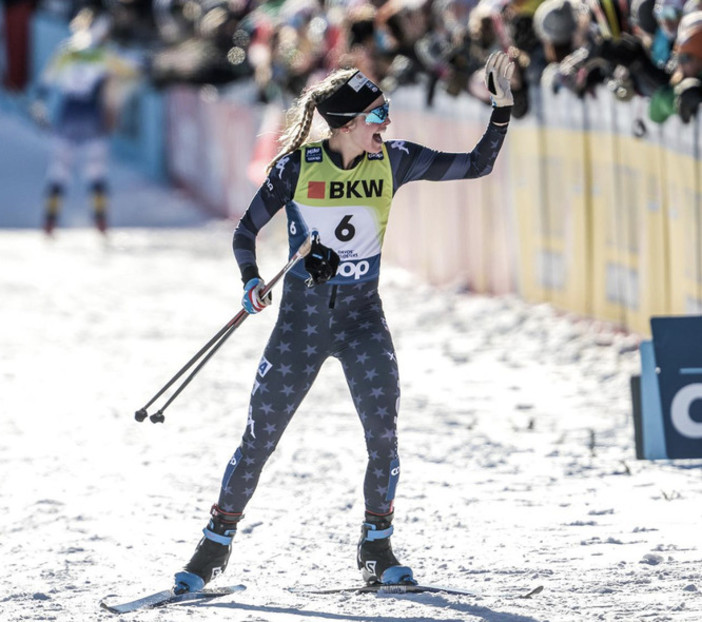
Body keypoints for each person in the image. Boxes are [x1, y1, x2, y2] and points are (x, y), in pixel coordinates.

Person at [173, 52, 514, 594]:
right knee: (260, 437)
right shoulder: (296, 168)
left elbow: (477, 164)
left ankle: (377, 548)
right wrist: (251, 281)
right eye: (378, 115)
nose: (387, 124)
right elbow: (244, 232)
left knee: (383, 433)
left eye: (388, 112)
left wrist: (501, 109)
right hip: (300, 327)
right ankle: (212, 547)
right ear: (348, 124)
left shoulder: (395, 160)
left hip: (361, 321)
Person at [31, 8, 139, 236]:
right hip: (91, 116)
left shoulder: (67, 50)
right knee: (96, 171)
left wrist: (39, 103)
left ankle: (49, 221)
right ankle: (101, 221)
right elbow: (133, 65)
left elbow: (46, 80)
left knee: (59, 170)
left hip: (69, 114)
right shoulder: (104, 53)